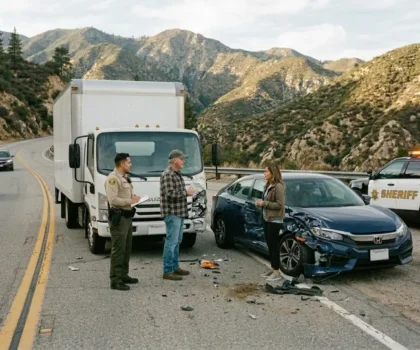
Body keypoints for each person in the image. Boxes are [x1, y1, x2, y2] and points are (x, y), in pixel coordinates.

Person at [105, 153, 141, 291]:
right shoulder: (113, 179)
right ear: (122, 164)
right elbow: (113, 200)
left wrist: (134, 198)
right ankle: (115, 280)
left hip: (127, 216)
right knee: (119, 250)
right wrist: (130, 201)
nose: (131, 164)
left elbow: (124, 196)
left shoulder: (125, 178)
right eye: (129, 162)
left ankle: (123, 275)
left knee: (126, 248)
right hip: (118, 218)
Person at [160, 149, 195, 280]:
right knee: (171, 242)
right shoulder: (168, 175)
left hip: (179, 212)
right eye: (181, 159)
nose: (183, 161)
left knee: (177, 241)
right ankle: (167, 270)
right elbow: (170, 194)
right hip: (172, 213)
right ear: (174, 160)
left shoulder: (177, 174)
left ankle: (175, 267)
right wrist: (186, 193)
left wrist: (187, 191)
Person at [255, 164, 286, 282]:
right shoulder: (268, 185)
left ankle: (277, 272)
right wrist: (259, 202)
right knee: (269, 244)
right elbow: (266, 201)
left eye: (266, 172)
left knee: (274, 245)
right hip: (266, 218)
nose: (264, 173)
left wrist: (264, 204)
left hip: (275, 219)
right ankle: (273, 268)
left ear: (273, 173)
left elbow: (280, 205)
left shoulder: (279, 187)